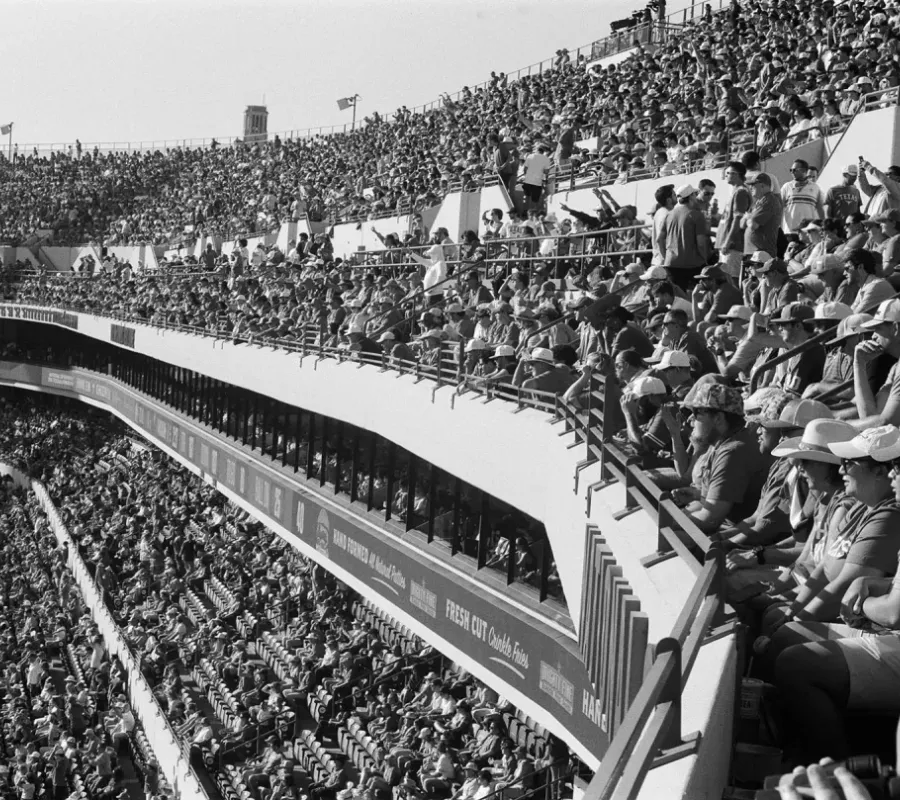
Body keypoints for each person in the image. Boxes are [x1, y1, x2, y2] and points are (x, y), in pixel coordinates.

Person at [771, 425, 900, 764]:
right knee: (785, 632)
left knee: (795, 663)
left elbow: (891, 614)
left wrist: (863, 604)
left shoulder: (891, 512)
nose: (841, 468)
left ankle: (839, 771)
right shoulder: (868, 508)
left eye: (851, 462)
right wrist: (876, 589)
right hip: (889, 629)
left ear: (882, 471)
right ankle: (792, 752)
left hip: (892, 631)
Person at [674, 381, 769, 534]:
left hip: (729, 538)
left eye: (697, 412)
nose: (690, 419)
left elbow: (709, 519)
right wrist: (697, 495)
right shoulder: (720, 443)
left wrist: (668, 521)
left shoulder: (733, 452)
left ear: (718, 418)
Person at [660, 183, 711, 290]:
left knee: (677, 299)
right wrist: (705, 260)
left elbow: (659, 239)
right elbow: (701, 243)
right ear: (691, 196)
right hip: (693, 264)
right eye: (695, 194)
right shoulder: (697, 215)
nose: (697, 196)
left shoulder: (669, 214)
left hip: (671, 264)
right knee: (699, 297)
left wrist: (665, 257)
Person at [716, 162, 751, 277]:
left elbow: (737, 219)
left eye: (728, 173)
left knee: (730, 279)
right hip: (728, 244)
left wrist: (728, 241)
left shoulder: (741, 192)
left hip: (733, 246)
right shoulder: (736, 191)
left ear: (737, 174)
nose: (726, 176)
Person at [742, 173, 783, 260]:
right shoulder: (760, 201)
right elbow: (743, 224)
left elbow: (753, 224)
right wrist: (749, 218)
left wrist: (748, 217)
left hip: (763, 253)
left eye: (753, 185)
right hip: (757, 252)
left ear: (762, 186)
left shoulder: (768, 200)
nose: (750, 188)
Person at [781, 159, 825, 233]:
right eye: (791, 170)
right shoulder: (786, 186)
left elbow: (820, 209)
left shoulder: (816, 188)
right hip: (790, 232)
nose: (792, 172)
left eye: (794, 170)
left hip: (809, 232)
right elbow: (779, 207)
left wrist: (823, 226)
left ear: (804, 171)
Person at [520, 144, 552, 212]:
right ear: (543, 151)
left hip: (528, 180)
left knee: (527, 196)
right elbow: (546, 172)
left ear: (537, 150)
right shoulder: (546, 159)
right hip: (537, 182)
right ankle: (534, 213)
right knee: (535, 199)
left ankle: (525, 211)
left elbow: (525, 169)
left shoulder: (530, 156)